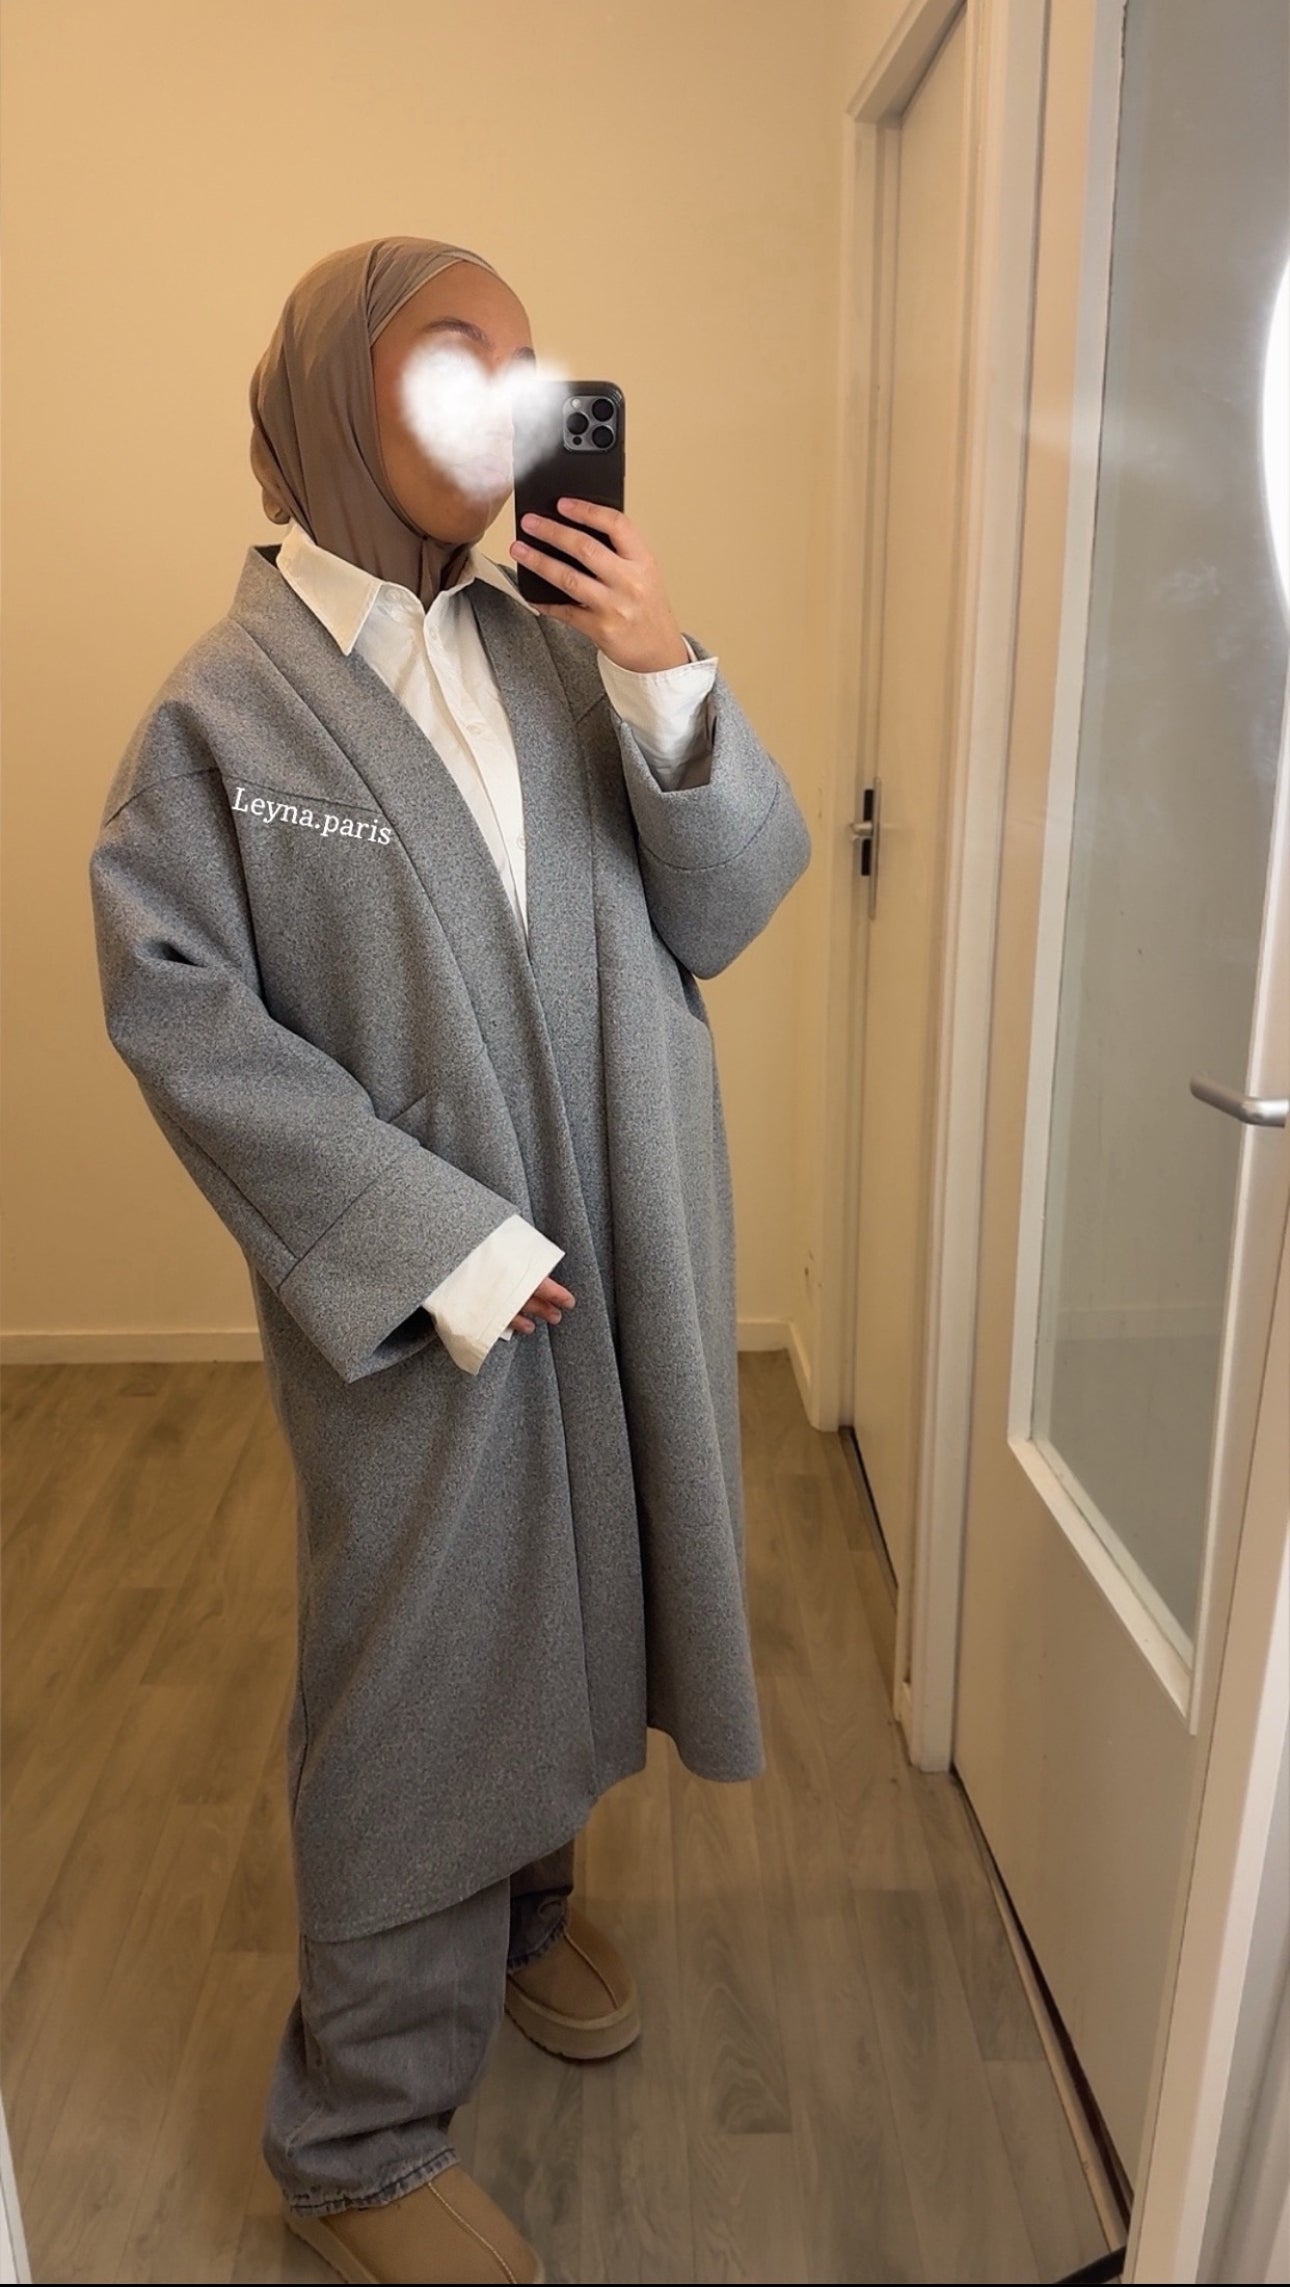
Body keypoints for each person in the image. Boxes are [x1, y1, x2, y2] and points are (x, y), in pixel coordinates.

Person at [89, 235, 810, 2286]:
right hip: (431, 1296)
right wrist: (436, 1245)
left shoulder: (551, 646)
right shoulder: (223, 713)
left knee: (596, 1583)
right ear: (333, 391)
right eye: (448, 362)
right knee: (421, 1666)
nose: (503, 407)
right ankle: (358, 2137)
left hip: (624, 1238)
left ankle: (522, 1914)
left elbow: (727, 900)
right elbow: (180, 1011)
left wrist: (660, 658)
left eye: (523, 367)